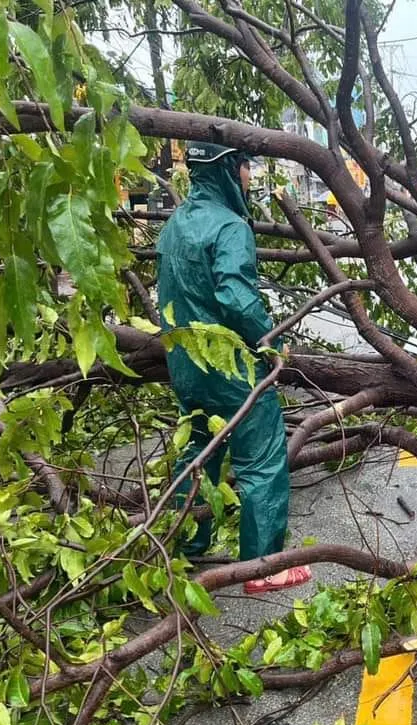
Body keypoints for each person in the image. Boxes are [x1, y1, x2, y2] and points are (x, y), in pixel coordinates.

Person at [156, 139, 311, 594]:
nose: (248, 176)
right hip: (232, 368)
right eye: (245, 167)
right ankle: (262, 567)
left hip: (184, 364)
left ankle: (187, 543)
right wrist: (273, 342)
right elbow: (235, 297)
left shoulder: (173, 225)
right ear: (228, 169)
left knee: (197, 453)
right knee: (262, 459)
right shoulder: (230, 227)